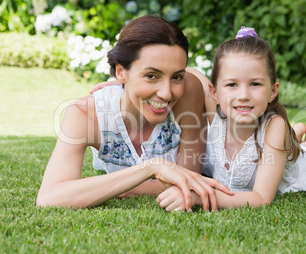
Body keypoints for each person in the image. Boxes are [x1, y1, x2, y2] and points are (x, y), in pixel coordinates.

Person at [156, 27, 306, 211]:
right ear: (215, 92)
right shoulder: (215, 110)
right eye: (232, 84)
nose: (243, 95)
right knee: (293, 141)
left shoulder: (274, 127)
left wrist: (199, 196)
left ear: (273, 90)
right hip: (276, 144)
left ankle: (304, 142)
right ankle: (298, 133)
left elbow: (260, 198)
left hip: (291, 164)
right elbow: (191, 75)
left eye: (255, 84)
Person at [36, 15, 233, 211]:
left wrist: (114, 187)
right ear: (121, 72)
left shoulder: (188, 92)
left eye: (176, 77)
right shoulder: (85, 115)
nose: (166, 93)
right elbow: (49, 197)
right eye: (151, 76)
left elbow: (188, 181)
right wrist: (152, 167)